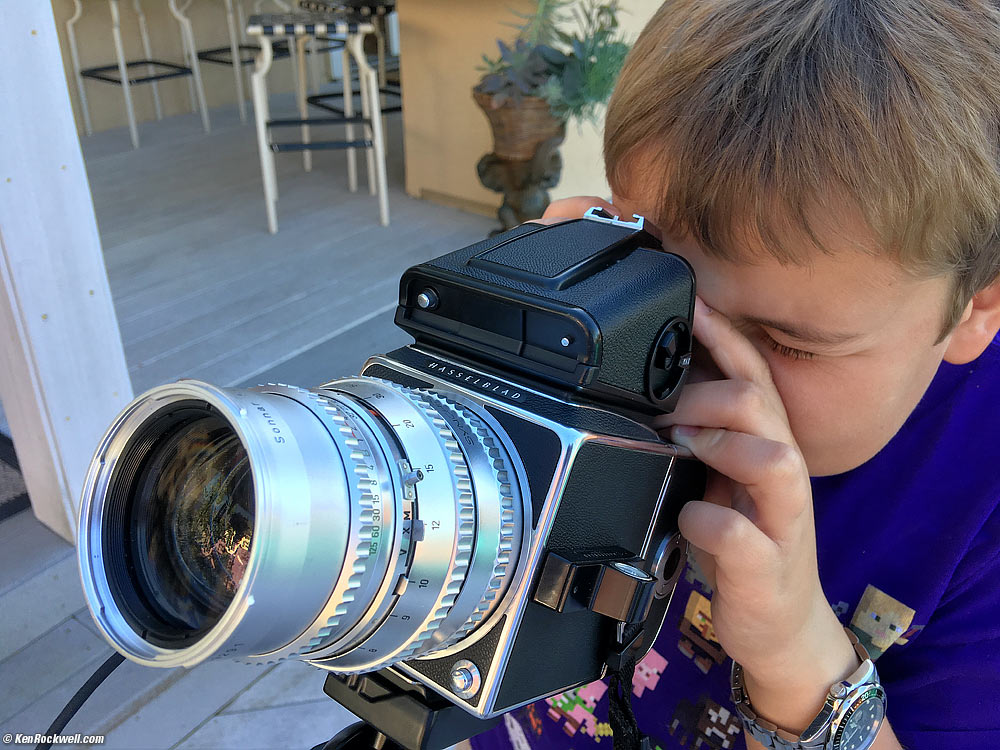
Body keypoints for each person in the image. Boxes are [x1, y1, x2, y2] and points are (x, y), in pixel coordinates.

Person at [468, 1, 1000, 748]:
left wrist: (795, 657)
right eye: (659, 288)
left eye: (790, 344)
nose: (693, 366)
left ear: (977, 304)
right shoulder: (587, 338)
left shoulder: (982, 499)